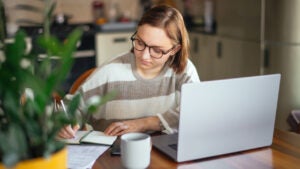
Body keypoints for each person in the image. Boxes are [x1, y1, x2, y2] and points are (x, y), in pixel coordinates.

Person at [58, 4, 200, 139]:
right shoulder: (110, 73)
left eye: (157, 50)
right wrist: (64, 122)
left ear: (175, 49)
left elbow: (196, 112)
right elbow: (70, 108)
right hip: (112, 157)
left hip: (163, 154)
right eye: (140, 42)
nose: (144, 56)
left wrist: (144, 123)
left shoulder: (185, 71)